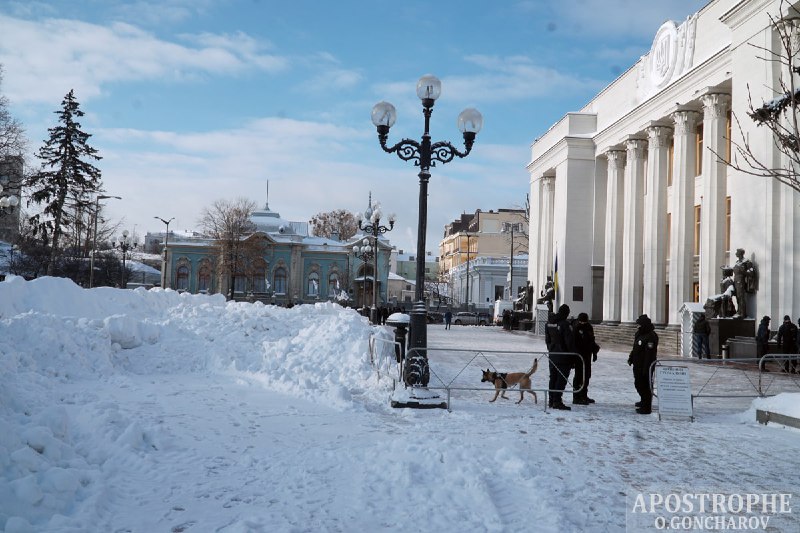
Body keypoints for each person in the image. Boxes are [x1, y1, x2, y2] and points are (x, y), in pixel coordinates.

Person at [545, 303, 575, 410]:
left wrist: (551, 349)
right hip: (564, 356)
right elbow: (569, 342)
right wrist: (572, 356)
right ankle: (557, 401)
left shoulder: (549, 323)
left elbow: (547, 340)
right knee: (561, 379)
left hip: (553, 354)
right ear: (566, 313)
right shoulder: (565, 324)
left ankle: (551, 400)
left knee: (553, 378)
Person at [628, 314, 658, 415]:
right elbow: (635, 347)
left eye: (639, 325)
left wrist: (646, 369)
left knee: (645, 386)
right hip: (637, 364)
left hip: (646, 366)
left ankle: (646, 407)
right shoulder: (639, 334)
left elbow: (650, 354)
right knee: (638, 384)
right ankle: (643, 400)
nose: (637, 327)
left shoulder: (651, 336)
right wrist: (631, 357)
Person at [572, 312, 599, 405]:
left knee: (587, 376)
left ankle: (584, 395)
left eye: (584, 321)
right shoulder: (576, 327)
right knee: (578, 376)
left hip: (587, 355)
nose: (583, 323)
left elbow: (592, 340)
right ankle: (576, 396)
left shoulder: (588, 327)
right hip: (579, 356)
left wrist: (594, 352)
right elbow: (574, 343)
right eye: (581, 321)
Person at [732, 248, 756, 318]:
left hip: (741, 281)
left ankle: (742, 313)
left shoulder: (746, 262)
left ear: (741, 253)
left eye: (737, 252)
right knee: (737, 297)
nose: (736, 253)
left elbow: (751, 273)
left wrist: (743, 272)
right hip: (735, 281)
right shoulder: (737, 262)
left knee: (741, 297)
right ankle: (739, 311)